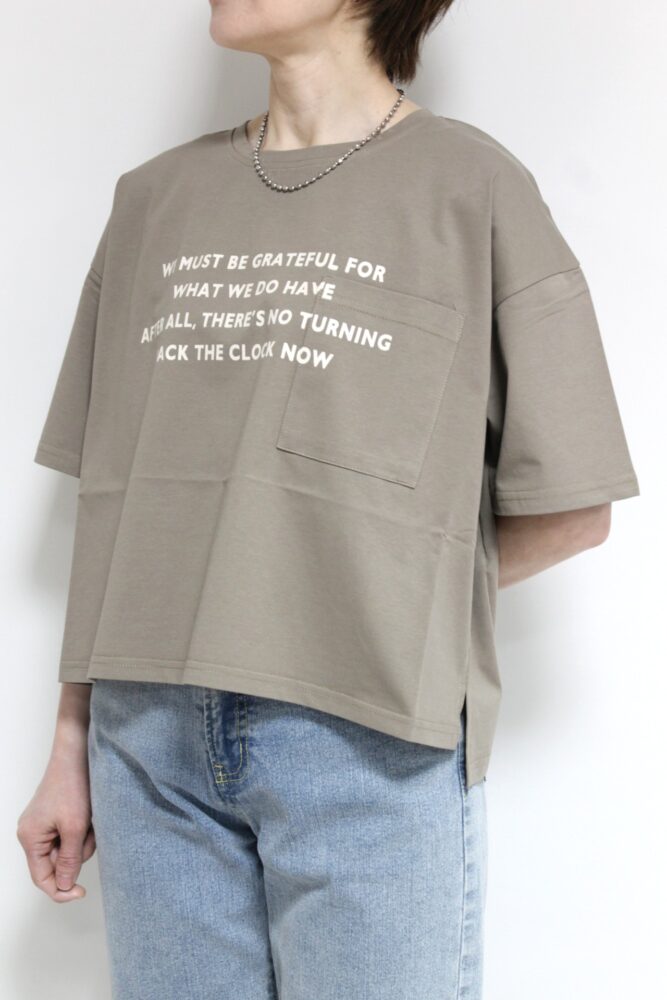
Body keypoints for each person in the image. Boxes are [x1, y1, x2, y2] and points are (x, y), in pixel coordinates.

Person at [17, 2, 640, 998]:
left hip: (363, 738)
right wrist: (67, 744)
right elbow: (112, 500)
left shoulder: (471, 187)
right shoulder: (154, 199)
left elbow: (571, 507)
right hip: (148, 740)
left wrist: (379, 599)